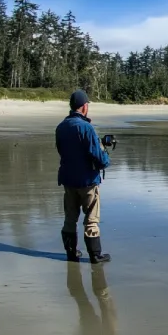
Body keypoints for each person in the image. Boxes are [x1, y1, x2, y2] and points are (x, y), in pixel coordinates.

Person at [56, 89, 112, 263]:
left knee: (70, 218)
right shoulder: (86, 127)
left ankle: (71, 254)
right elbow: (98, 157)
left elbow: (64, 151)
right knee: (91, 219)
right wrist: (105, 156)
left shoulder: (61, 127)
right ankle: (95, 255)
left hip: (68, 180)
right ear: (84, 106)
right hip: (87, 181)